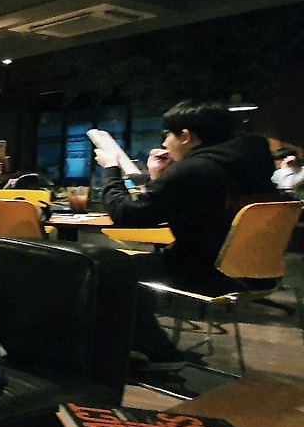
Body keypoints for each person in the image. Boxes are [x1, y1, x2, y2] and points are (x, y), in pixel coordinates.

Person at [94, 100, 277, 367]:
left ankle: (158, 352)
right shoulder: (253, 166)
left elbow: (128, 214)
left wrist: (111, 170)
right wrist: (158, 176)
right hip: (259, 274)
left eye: (168, 134)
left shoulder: (194, 171)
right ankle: (139, 342)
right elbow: (179, 200)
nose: (165, 143)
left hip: (207, 273)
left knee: (104, 268)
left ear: (187, 136)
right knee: (124, 267)